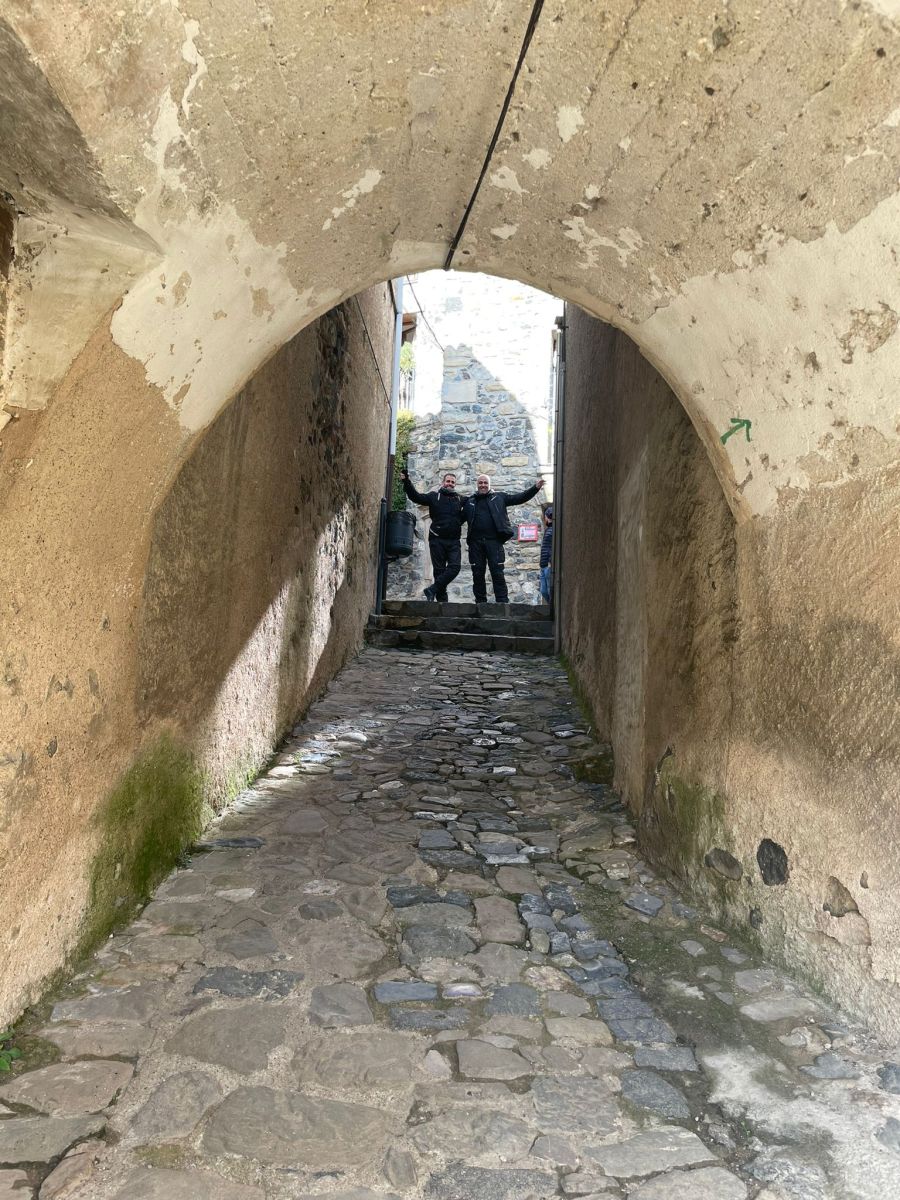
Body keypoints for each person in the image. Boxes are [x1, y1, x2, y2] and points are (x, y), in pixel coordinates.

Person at [462, 474, 544, 604]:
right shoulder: (470, 502)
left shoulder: (499, 497)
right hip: (475, 544)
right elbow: (457, 519)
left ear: (489, 485)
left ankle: (502, 603)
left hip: (494, 542)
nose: (483, 485)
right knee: (477, 574)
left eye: (485, 483)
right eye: (480, 483)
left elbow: (519, 498)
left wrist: (535, 488)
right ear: (477, 485)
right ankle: (480, 603)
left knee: (497, 573)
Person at [400, 469, 467, 602]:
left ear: (455, 484)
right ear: (443, 483)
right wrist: (407, 482)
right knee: (439, 571)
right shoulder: (433, 496)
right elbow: (416, 497)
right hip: (437, 539)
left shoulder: (460, 499)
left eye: (452, 482)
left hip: (453, 541)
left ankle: (432, 589)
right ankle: (442, 601)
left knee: (455, 567)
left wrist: (488, 493)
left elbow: (474, 502)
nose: (450, 484)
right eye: (448, 481)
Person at [540, 504, 553, 604]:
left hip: (548, 565)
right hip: (543, 565)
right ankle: (550, 607)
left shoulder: (553, 530)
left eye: (545, 516)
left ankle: (552, 610)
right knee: (543, 591)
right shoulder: (548, 530)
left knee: (549, 591)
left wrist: (550, 561)